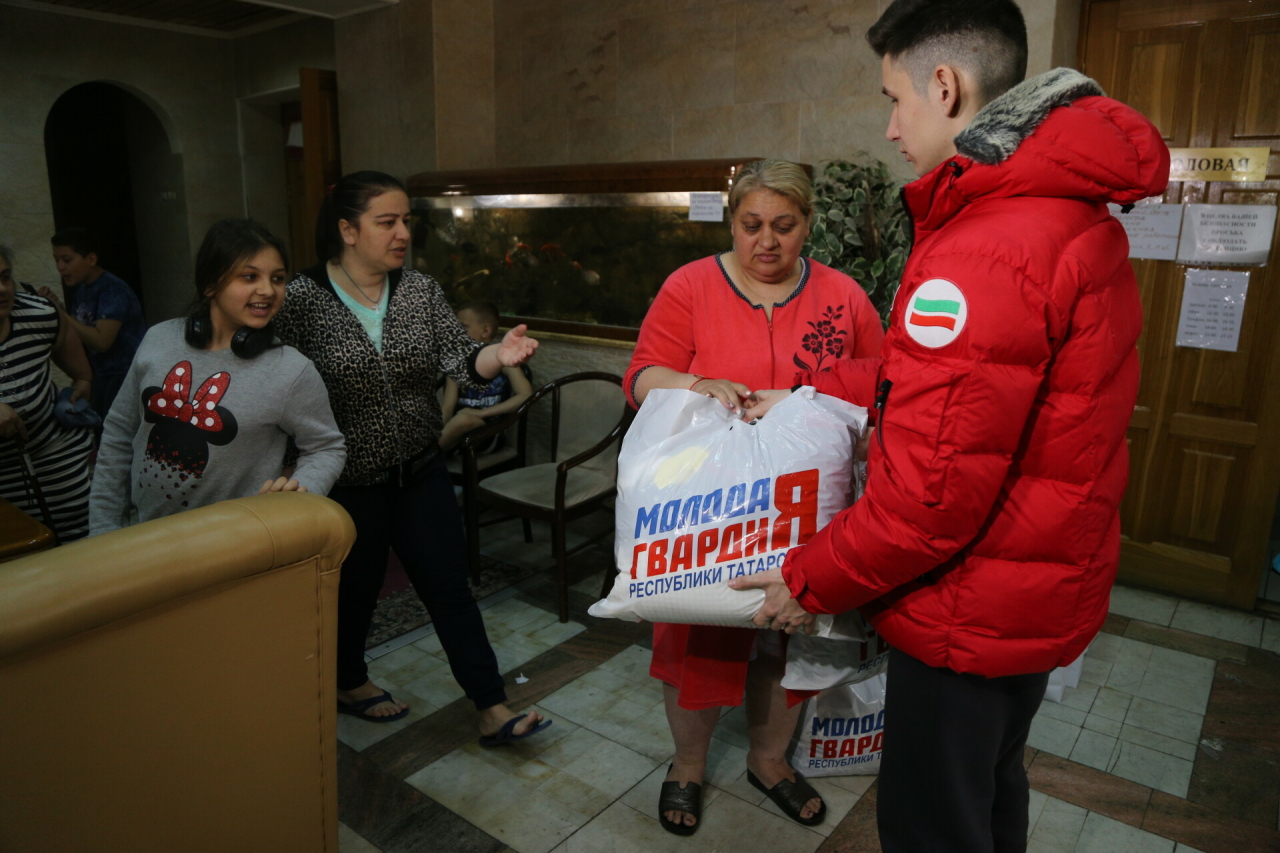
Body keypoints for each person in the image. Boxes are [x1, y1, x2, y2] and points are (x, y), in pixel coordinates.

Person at [731, 2, 1170, 851]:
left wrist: (808, 579)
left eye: (895, 99)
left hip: (965, 613)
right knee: (992, 795)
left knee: (935, 825)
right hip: (1026, 597)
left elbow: (929, 499)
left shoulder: (987, 246)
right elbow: (946, 389)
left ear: (947, 85)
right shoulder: (1067, 217)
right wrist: (809, 387)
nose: (891, 128)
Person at [623, 158, 885, 835]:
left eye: (784, 226)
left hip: (803, 507)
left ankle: (770, 760)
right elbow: (641, 377)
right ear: (731, 221)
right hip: (709, 508)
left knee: (785, 637)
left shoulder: (843, 296)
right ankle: (687, 764)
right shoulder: (690, 287)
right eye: (750, 226)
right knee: (695, 638)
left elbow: (882, 381)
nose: (765, 242)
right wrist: (694, 381)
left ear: (808, 226)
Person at [272, 171, 550, 745]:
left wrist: (498, 354)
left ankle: (491, 706)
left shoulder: (420, 291)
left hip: (420, 469)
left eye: (406, 222)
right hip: (347, 483)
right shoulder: (298, 299)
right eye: (387, 222)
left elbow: (461, 358)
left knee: (449, 589)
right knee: (354, 592)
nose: (402, 233)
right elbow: (268, 379)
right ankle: (349, 682)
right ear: (348, 229)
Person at [88, 219, 347, 534]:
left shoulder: (290, 370)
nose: (268, 290)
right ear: (210, 284)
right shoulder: (158, 339)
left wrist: (300, 491)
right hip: (144, 534)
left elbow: (327, 446)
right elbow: (118, 433)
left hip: (234, 545)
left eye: (277, 278)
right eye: (249, 276)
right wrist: (102, 526)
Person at [0, 244, 95, 541]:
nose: (2, 289)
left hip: (57, 458)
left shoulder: (38, 314)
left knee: (85, 549)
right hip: (4, 480)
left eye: (5, 277)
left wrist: (78, 392)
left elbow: (82, 375)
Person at [41, 227, 145, 424]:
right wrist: (57, 310)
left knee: (117, 434)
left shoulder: (112, 289)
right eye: (57, 260)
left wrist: (62, 314)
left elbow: (101, 341)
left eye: (67, 260)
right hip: (100, 374)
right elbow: (79, 332)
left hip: (124, 375)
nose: (60, 267)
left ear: (91, 259)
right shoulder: (81, 289)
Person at [439, 301, 533, 452]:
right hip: (456, 433)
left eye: (463, 327)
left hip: (489, 432)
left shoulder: (503, 360)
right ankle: (426, 458)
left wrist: (481, 413)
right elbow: (448, 407)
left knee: (464, 420)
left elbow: (526, 396)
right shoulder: (456, 361)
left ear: (485, 331)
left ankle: (419, 463)